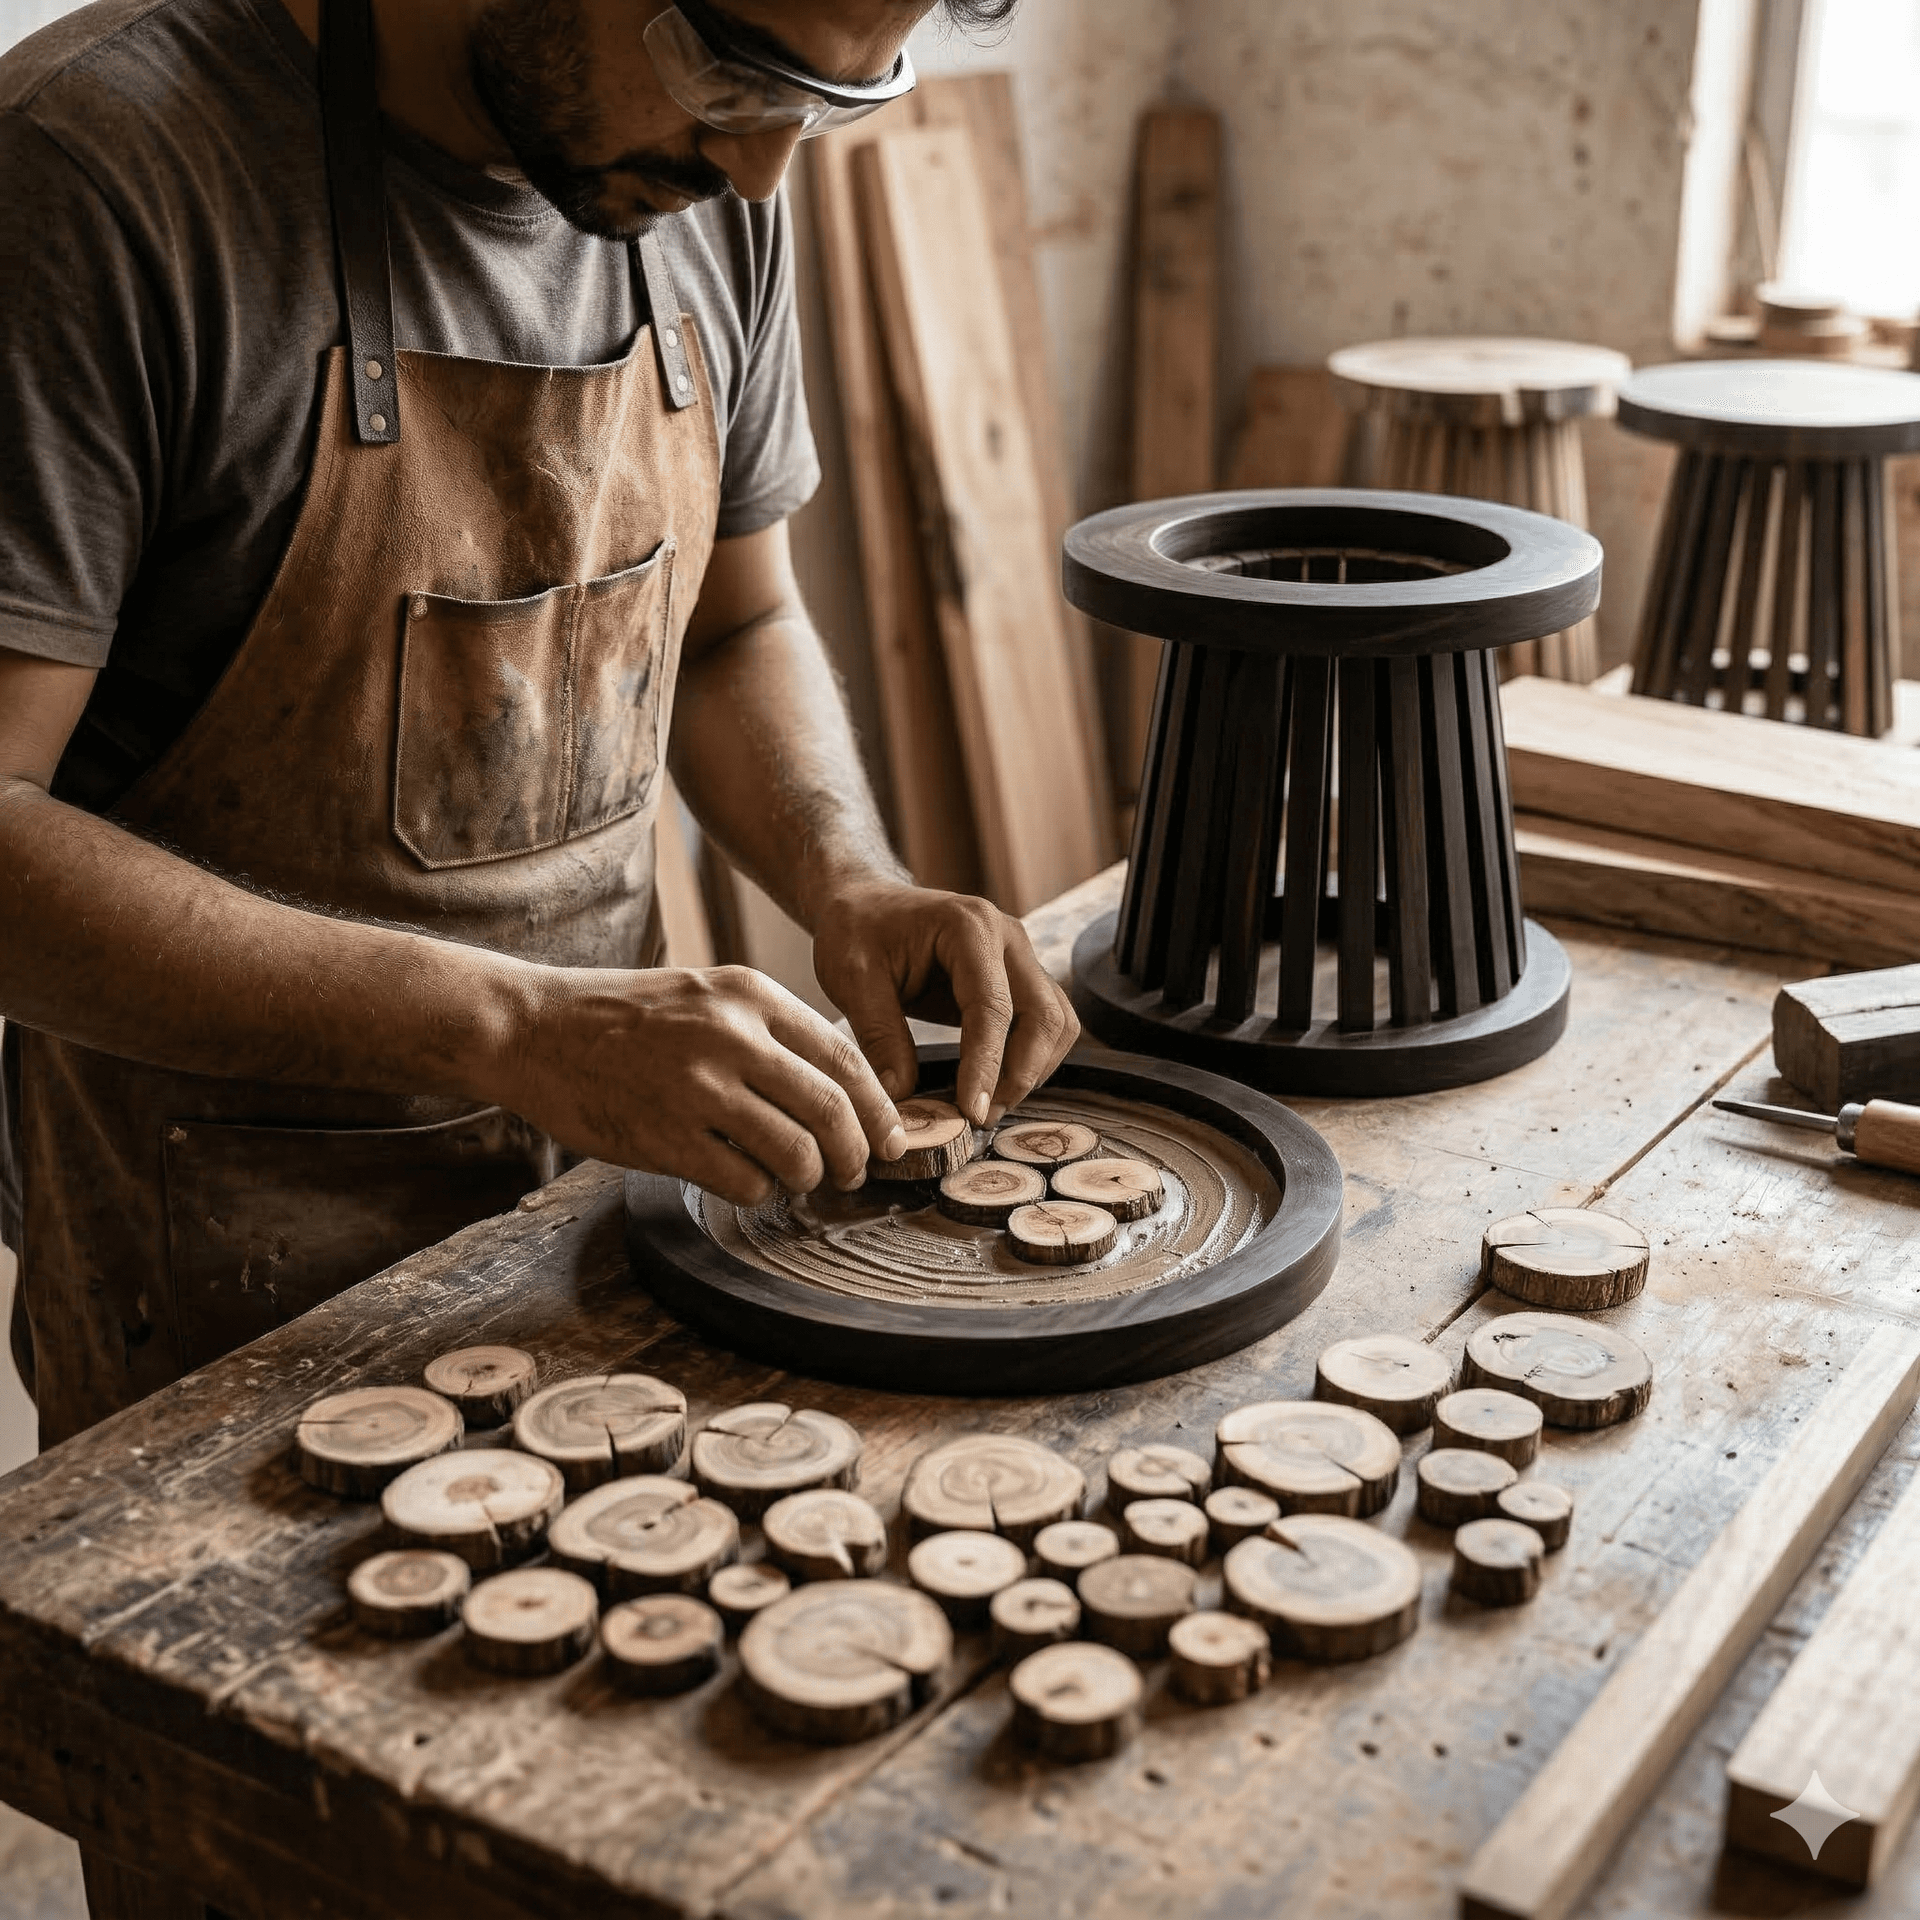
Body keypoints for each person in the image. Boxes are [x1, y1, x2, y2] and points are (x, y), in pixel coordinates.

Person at [0, 0, 1078, 1451]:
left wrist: (850, 878)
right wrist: (514, 1027)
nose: (764, 173)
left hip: (604, 1218)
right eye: (732, 75)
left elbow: (731, 627)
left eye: (830, 106)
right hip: (223, 1291)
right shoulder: (95, 175)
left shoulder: (706, 185)